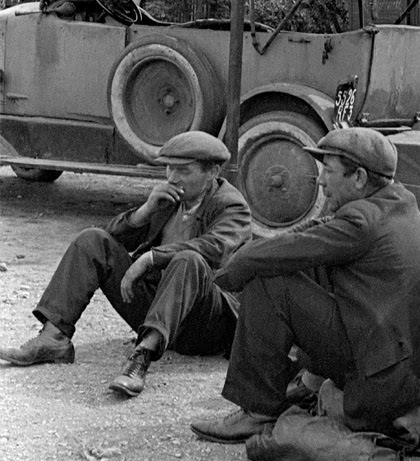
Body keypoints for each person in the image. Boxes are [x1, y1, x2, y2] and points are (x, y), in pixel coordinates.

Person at [190, 127, 420, 444]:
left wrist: (227, 273)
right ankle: (310, 381)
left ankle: (257, 411)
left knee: (269, 280)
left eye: (328, 172)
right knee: (309, 267)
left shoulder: (362, 221)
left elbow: (287, 250)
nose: (321, 181)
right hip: (409, 374)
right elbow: (310, 238)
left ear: (358, 178)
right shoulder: (395, 202)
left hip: (384, 383)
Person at [0, 132, 251, 397]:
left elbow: (215, 250)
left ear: (212, 171)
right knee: (92, 239)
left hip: (206, 322)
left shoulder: (231, 205)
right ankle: (53, 338)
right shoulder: (170, 198)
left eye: (183, 170)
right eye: (169, 168)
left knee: (188, 260)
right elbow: (110, 238)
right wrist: (144, 213)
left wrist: (152, 257)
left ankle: (141, 358)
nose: (172, 177)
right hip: (159, 308)